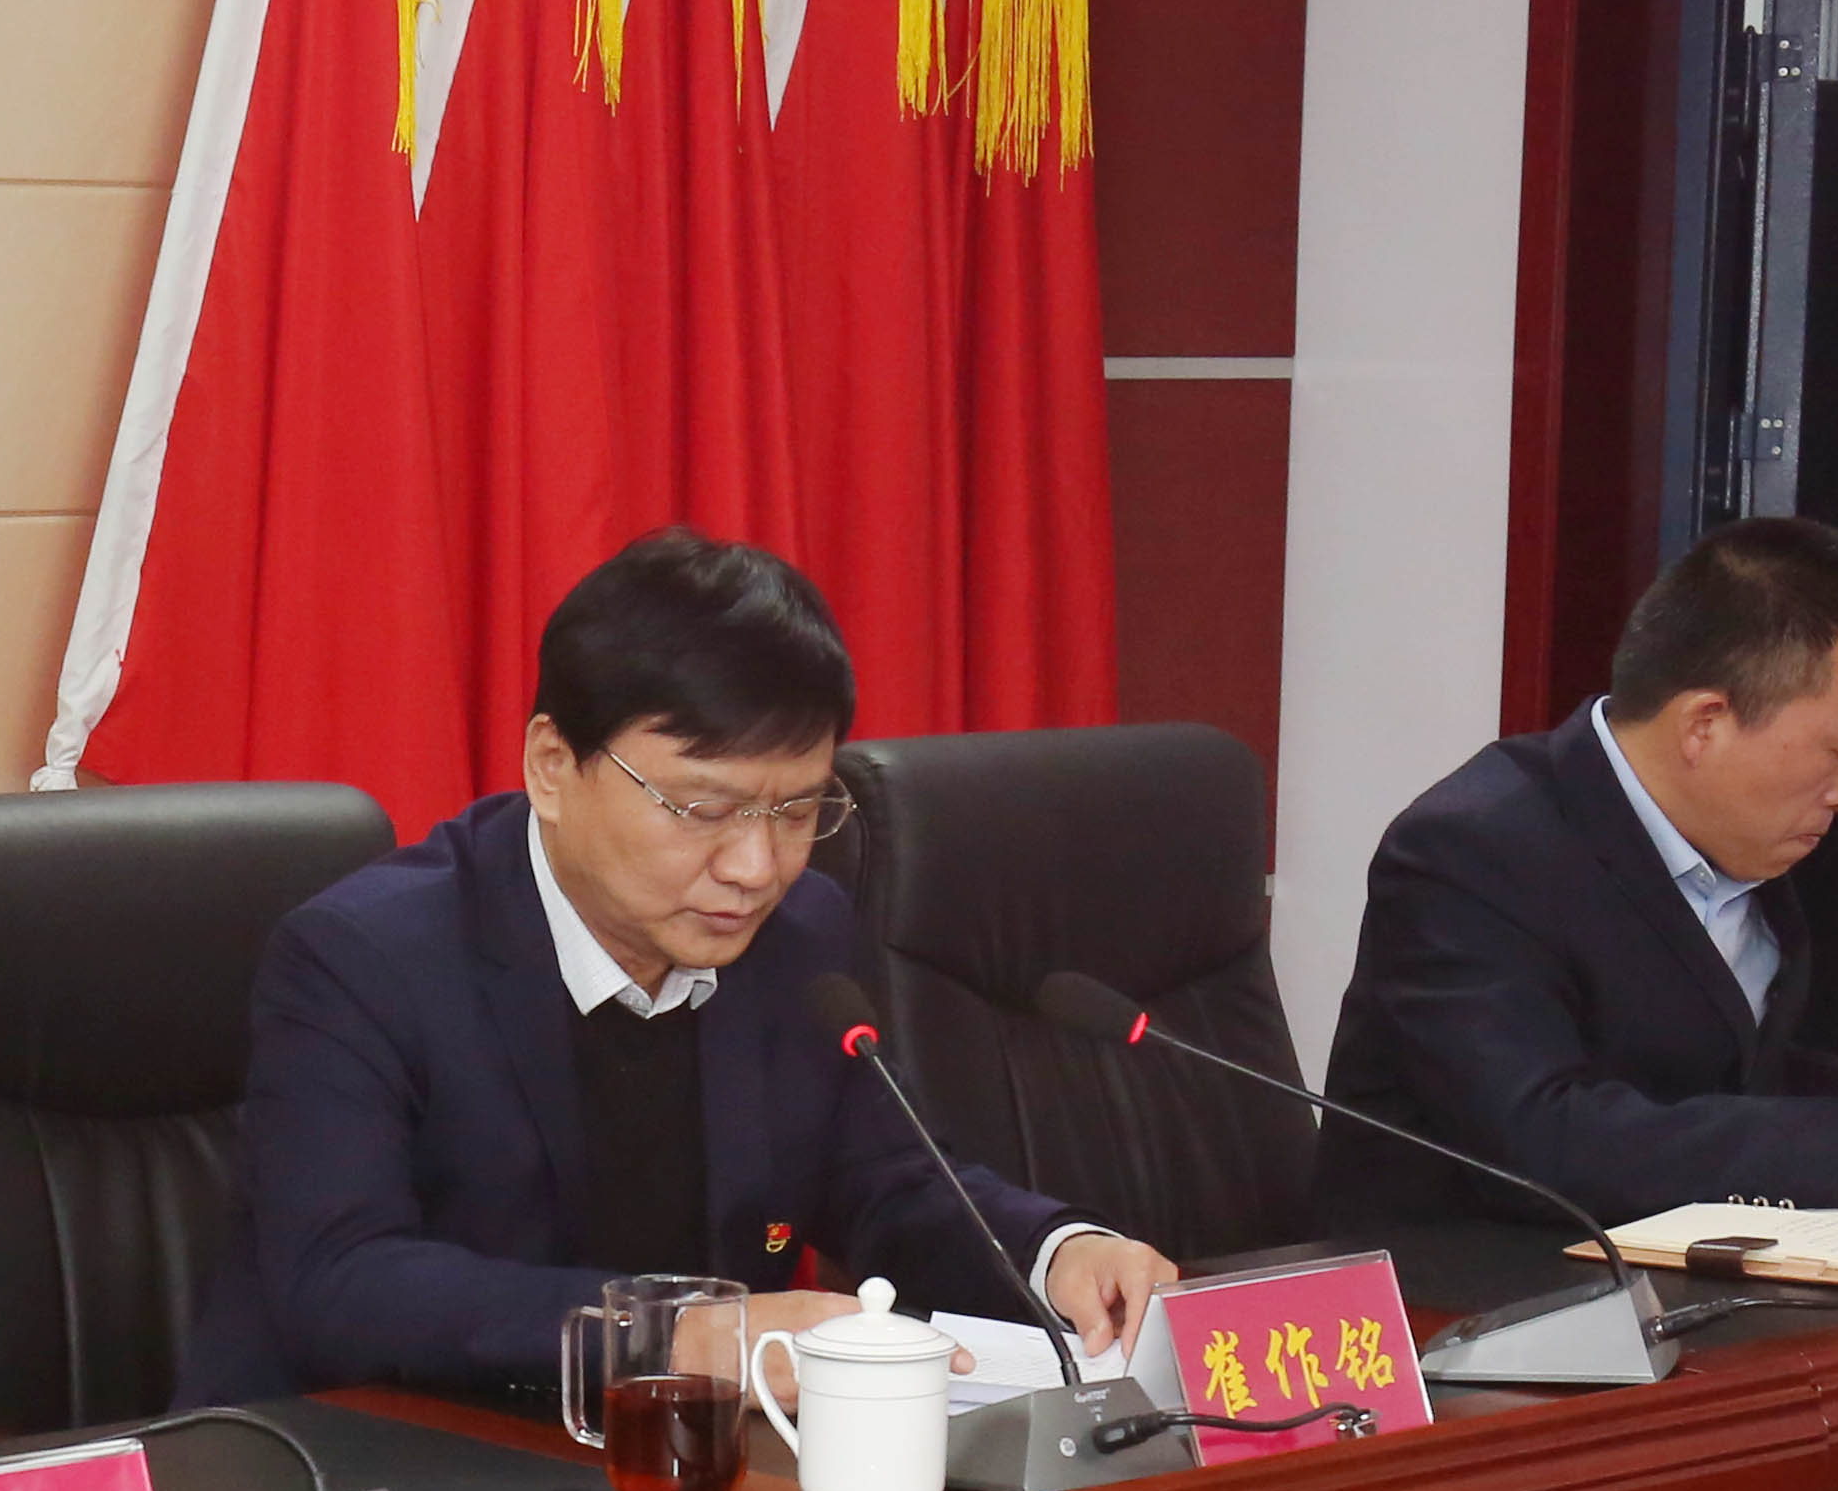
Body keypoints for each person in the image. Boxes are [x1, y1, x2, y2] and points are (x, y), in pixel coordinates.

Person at [189, 531, 1180, 1403]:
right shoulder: (364, 959)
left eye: (797, 810)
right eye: (704, 810)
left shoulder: (800, 936)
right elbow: (342, 1282)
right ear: (552, 768)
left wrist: (1056, 1252)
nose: (755, 868)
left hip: (674, 1474)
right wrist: (669, 1335)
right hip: (373, 1478)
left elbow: (887, 1181)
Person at [1318, 515, 1838, 1229]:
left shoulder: (1741, 841)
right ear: (1705, 724)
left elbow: (1704, 1075)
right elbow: (1540, 1140)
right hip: (1460, 1291)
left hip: (1668, 1277)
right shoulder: (1471, 849)